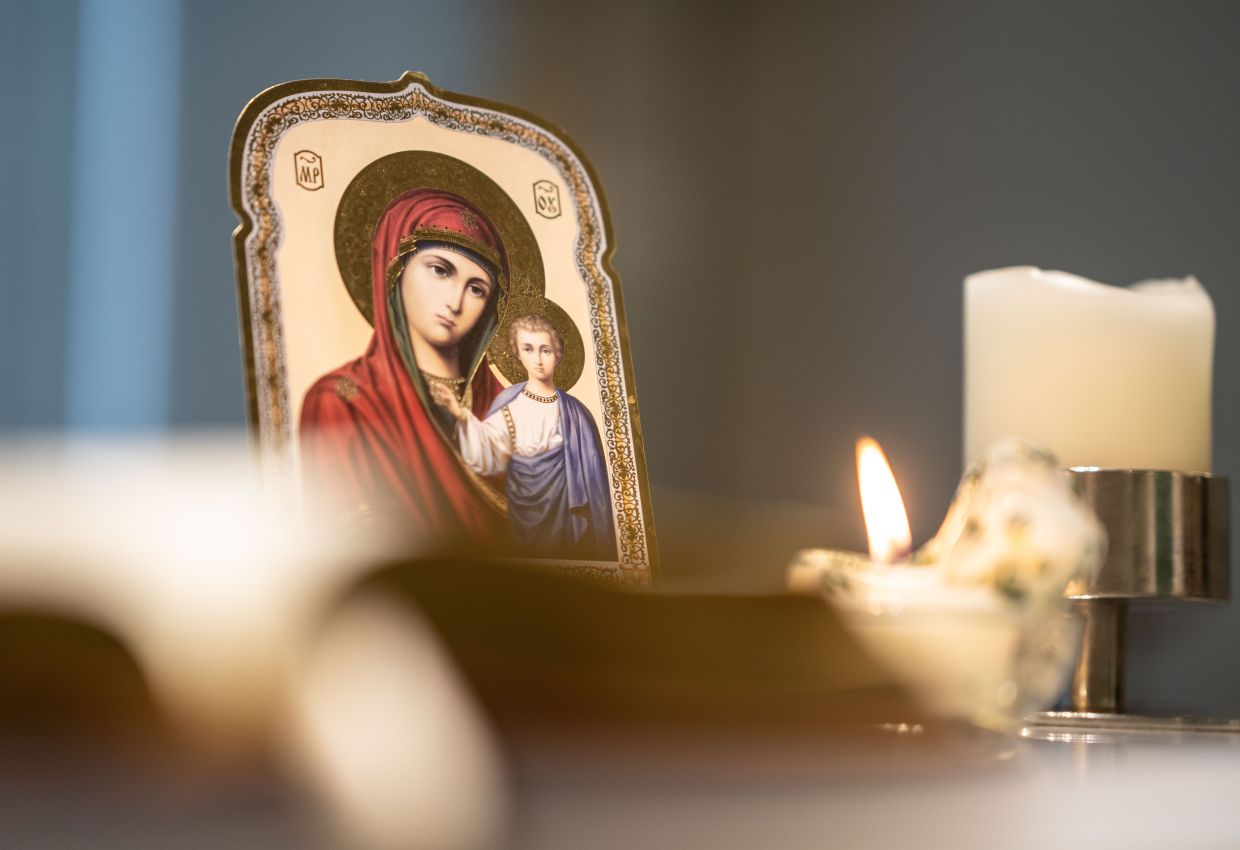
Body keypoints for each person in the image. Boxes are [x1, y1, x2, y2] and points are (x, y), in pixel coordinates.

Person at [299, 188, 511, 548]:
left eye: (476, 289)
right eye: (440, 270)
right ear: (396, 269)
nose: (455, 302)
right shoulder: (343, 401)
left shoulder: (509, 409)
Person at [431, 314, 616, 560]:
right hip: (523, 515)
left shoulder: (577, 414)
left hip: (567, 519)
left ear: (558, 355)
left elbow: (595, 482)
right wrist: (460, 414)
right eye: (528, 349)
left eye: (546, 350)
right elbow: (489, 452)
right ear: (518, 354)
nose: (538, 360)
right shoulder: (510, 404)